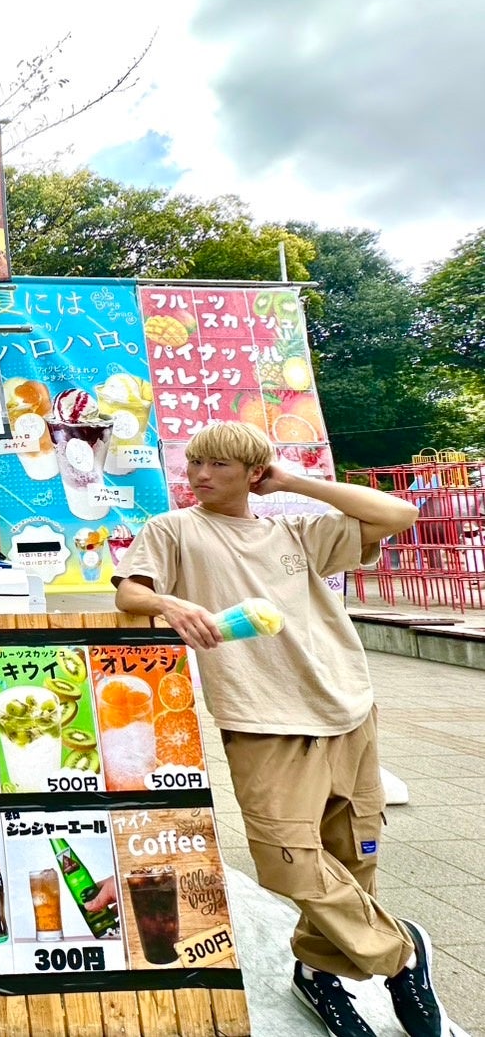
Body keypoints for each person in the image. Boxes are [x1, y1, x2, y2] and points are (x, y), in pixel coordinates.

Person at [113, 421, 461, 1037]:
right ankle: (401, 952)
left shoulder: (298, 531)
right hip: (259, 716)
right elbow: (130, 594)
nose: (200, 476)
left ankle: (319, 973)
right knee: (287, 861)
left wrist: (292, 482)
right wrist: (172, 603)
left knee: (352, 853)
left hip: (346, 705)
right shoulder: (174, 529)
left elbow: (400, 514)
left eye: (219, 465)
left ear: (254, 474)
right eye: (195, 463)